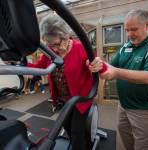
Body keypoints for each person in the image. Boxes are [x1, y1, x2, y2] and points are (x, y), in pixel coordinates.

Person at [27, 14, 97, 150]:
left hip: (80, 100)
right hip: (63, 100)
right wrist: (19, 63)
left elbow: (98, 66)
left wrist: (94, 66)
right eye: (50, 45)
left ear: (65, 36)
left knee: (77, 131)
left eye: (56, 44)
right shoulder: (50, 52)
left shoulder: (80, 48)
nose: (54, 48)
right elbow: (38, 67)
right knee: (67, 127)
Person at [89, 9, 148, 150]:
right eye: (127, 30)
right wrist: (100, 63)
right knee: (123, 139)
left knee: (143, 145)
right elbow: (111, 65)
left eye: (133, 29)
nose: (129, 35)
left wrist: (116, 72)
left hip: (143, 109)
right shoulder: (126, 46)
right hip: (123, 105)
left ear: (147, 25)